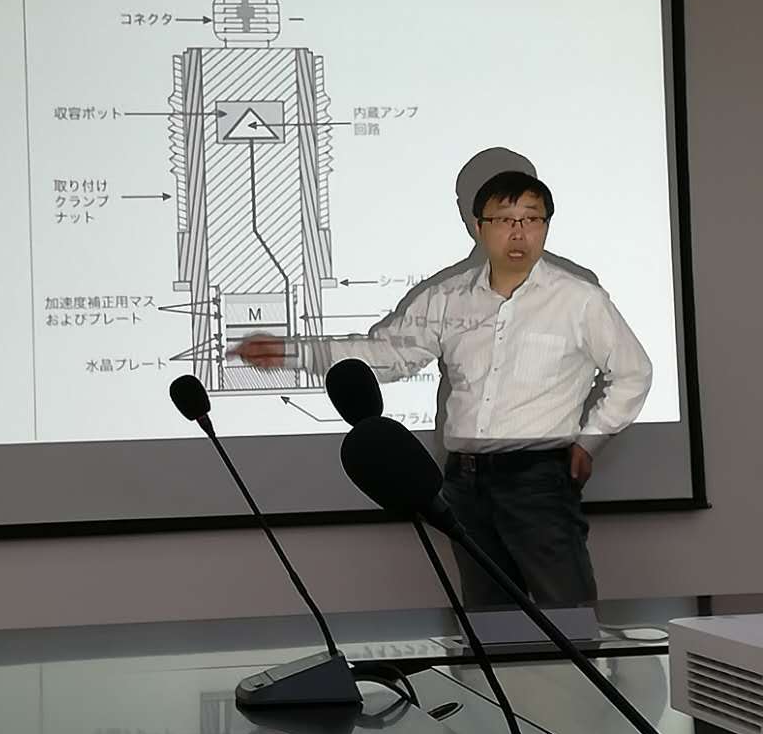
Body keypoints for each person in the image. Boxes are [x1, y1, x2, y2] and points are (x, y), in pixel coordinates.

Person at [232, 170, 653, 609]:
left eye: (532, 219)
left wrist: (591, 440)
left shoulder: (580, 300)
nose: (519, 232)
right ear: (478, 226)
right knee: (488, 616)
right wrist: (292, 352)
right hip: (464, 481)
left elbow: (633, 372)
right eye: (504, 219)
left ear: (546, 226)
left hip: (539, 478)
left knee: (566, 611)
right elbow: (387, 354)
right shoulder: (448, 298)